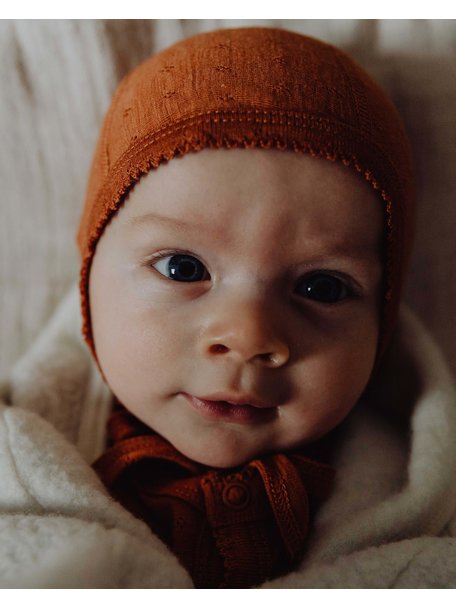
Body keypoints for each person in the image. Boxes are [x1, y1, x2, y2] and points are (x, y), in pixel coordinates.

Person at [1, 26, 456, 589]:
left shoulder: (405, 499)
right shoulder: (24, 464)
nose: (247, 336)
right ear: (89, 276)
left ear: (382, 322)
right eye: (182, 269)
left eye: (321, 288)